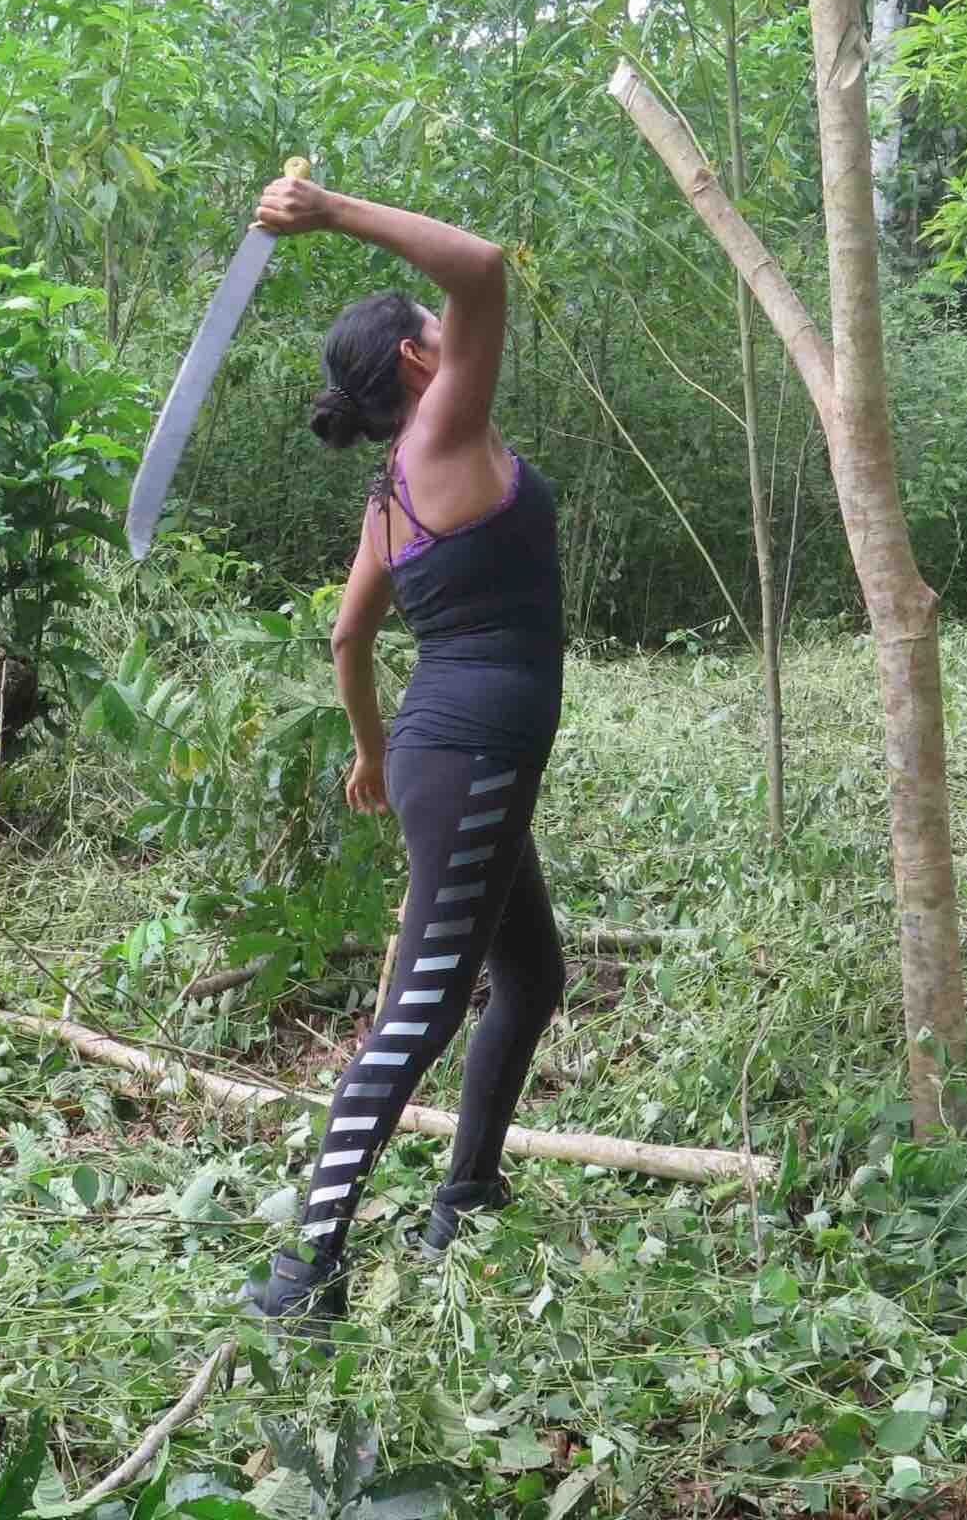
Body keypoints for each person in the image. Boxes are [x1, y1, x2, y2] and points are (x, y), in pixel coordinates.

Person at [239, 171, 567, 1327]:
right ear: (421, 363)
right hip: (475, 754)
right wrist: (329, 212)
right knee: (422, 1008)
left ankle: (466, 1196)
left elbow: (347, 635)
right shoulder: (445, 429)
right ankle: (306, 1268)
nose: (454, 327)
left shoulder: (394, 490)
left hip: (448, 751)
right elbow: (480, 265)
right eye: (434, 332)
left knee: (531, 972)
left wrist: (374, 754)